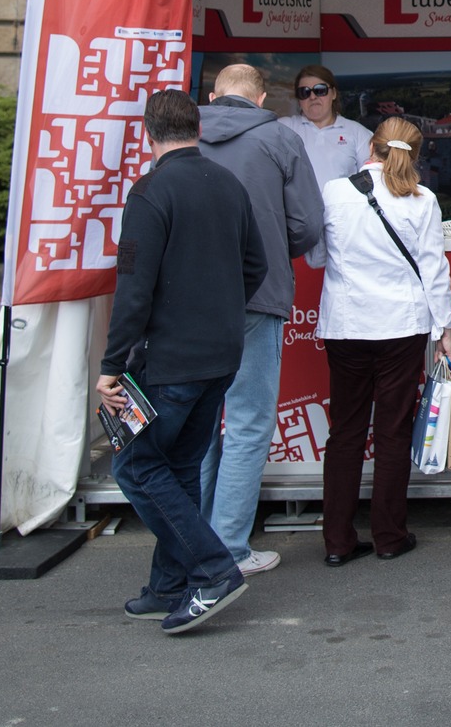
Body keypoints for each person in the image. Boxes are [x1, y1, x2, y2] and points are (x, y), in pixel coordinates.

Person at [100, 90, 268, 634]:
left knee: (135, 466)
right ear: (198, 126)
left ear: (148, 132)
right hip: (221, 352)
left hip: (169, 358)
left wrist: (110, 365)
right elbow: (256, 265)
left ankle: (213, 568)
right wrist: (216, 307)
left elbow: (133, 289)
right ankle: (169, 583)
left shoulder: (149, 192)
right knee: (180, 468)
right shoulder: (228, 183)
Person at [195, 63, 325, 577]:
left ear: (213, 95)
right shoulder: (278, 137)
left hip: (192, 301)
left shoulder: (183, 135)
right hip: (258, 294)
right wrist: (270, 251)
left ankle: (194, 537)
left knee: (199, 422)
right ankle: (228, 548)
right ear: (262, 96)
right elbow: (308, 224)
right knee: (248, 423)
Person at [317, 117, 451, 567]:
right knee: (393, 433)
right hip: (402, 324)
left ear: (371, 148)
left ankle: (337, 541)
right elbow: (434, 269)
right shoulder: (423, 199)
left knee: (345, 433)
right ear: (416, 155)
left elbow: (318, 254)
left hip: (347, 323)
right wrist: (445, 329)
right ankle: (390, 536)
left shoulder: (335, 192)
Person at [279, 65, 375, 265]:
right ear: (298, 99)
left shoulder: (357, 133)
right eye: (304, 92)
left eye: (320, 90)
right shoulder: (284, 128)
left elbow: (376, 179)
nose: (312, 97)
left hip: (346, 232)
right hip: (296, 234)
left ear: (333, 93)